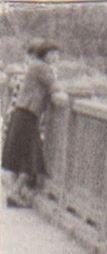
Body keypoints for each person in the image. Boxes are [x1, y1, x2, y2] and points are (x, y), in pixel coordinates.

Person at [2, 39, 61, 208]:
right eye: (52, 54)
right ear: (44, 54)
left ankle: (15, 192)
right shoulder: (41, 68)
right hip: (28, 114)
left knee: (27, 156)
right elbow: (55, 87)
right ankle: (14, 193)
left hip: (24, 114)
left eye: (57, 54)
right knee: (31, 157)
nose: (55, 57)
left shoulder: (36, 66)